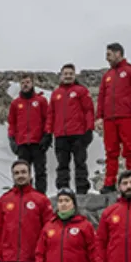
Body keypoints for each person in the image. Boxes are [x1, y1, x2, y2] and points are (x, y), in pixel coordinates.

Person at [96, 43, 131, 193]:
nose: (107, 57)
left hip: (126, 117)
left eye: (109, 54)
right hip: (109, 119)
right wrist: (99, 116)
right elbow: (101, 97)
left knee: (130, 151)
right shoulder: (107, 76)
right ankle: (109, 183)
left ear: (119, 53)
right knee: (111, 152)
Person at [48, 64, 96, 195]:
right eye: (66, 74)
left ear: (74, 75)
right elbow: (51, 114)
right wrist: (48, 132)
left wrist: (89, 129)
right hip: (60, 135)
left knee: (80, 162)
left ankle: (81, 190)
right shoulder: (56, 94)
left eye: (71, 73)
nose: (68, 76)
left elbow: (89, 110)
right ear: (61, 75)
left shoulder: (81, 91)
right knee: (62, 164)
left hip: (78, 134)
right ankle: (63, 189)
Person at [7, 73, 52, 193]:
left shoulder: (41, 101)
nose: (25, 85)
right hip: (22, 143)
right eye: (22, 83)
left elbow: (47, 119)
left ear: (32, 83)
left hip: (38, 142)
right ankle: (23, 195)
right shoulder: (15, 104)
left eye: (27, 82)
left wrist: (47, 135)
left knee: (40, 171)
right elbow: (12, 122)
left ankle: (41, 196)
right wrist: (11, 138)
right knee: (23, 172)